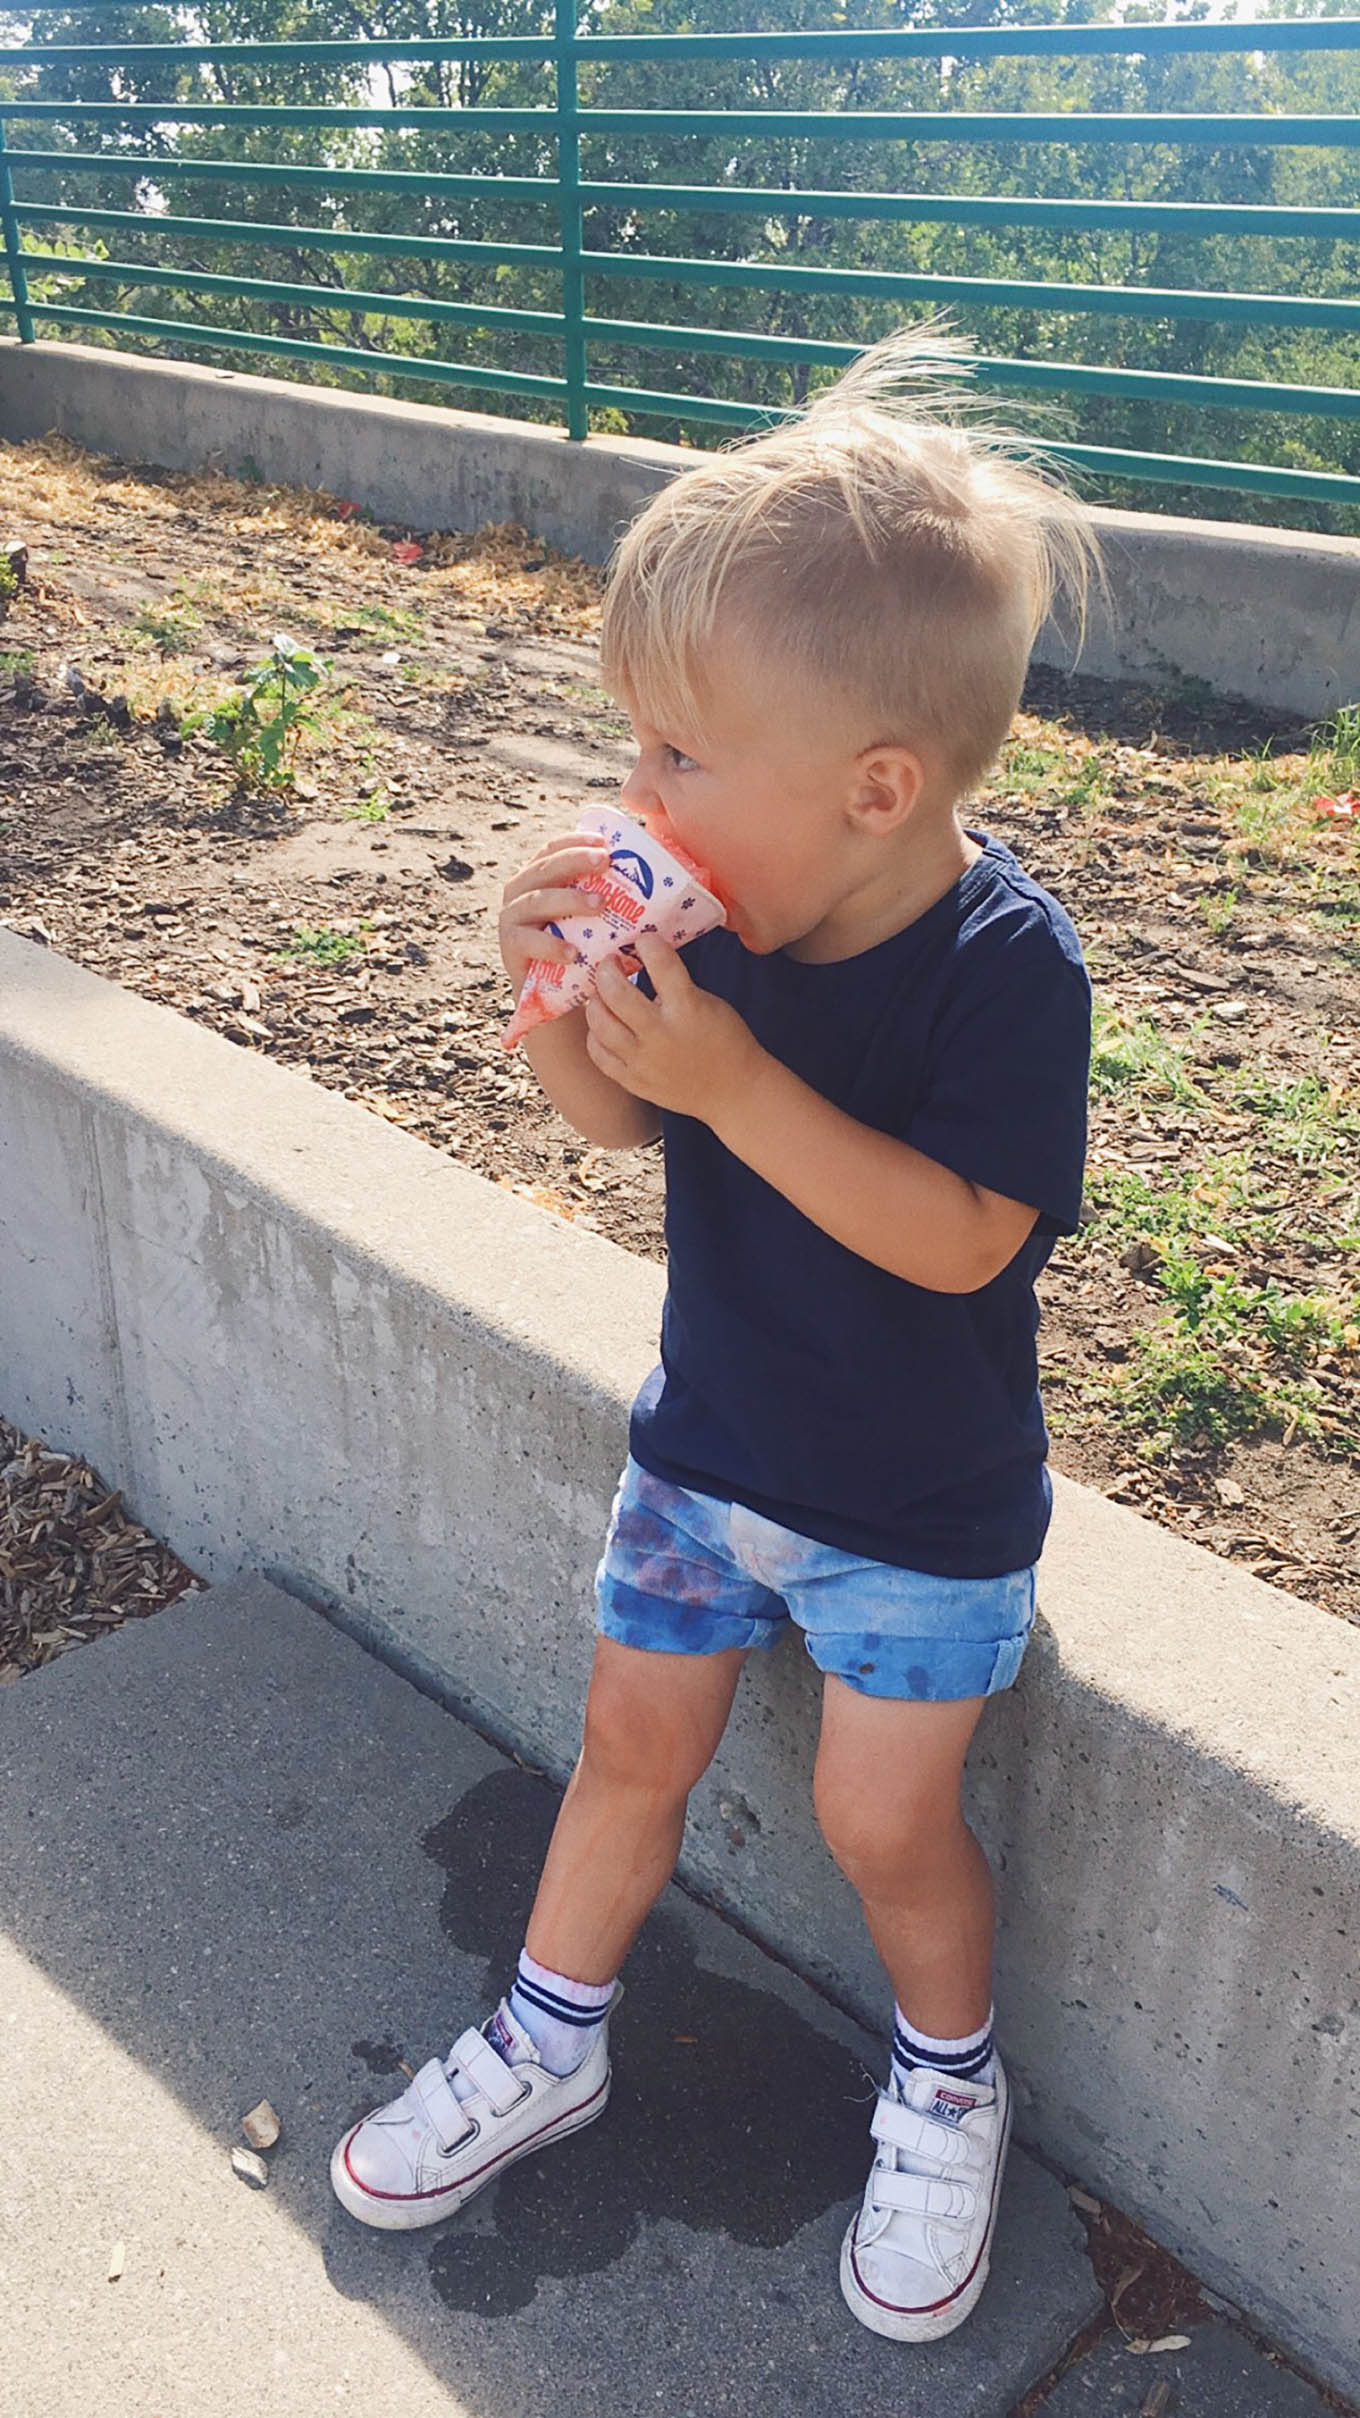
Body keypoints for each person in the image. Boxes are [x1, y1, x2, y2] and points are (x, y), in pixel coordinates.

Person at [330, 322, 1098, 2345]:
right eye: (632, 744)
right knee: (623, 1744)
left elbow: (959, 1243)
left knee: (878, 1819)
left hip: (914, 1511)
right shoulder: (709, 926)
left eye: (677, 753)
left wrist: (747, 1084)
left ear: (873, 787)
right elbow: (614, 1121)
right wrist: (556, 1006)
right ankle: (548, 2029)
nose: (630, 793)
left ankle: (947, 2078)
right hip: (705, 1454)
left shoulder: (1006, 971)